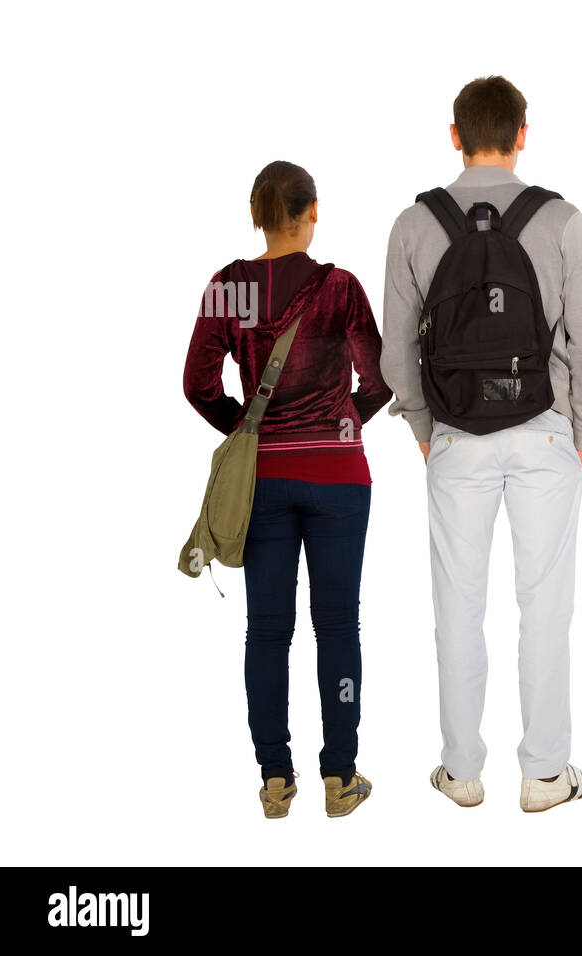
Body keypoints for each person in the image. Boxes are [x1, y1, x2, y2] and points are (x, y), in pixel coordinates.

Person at [381, 76, 582, 813]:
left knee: (458, 604)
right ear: (523, 134)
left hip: (454, 435)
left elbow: (393, 359)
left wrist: (424, 429)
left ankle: (461, 770)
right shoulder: (564, 220)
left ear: (454, 135)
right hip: (545, 430)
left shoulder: (414, 225)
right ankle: (546, 774)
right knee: (545, 606)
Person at [183, 160, 392, 819]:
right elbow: (382, 381)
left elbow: (198, 384)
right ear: (314, 211)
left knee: (267, 630)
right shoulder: (341, 289)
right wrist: (339, 424)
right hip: (338, 478)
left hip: (264, 481)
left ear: (257, 215)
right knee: (338, 625)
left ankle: (276, 779)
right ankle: (341, 777)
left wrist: (246, 429)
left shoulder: (229, 288)